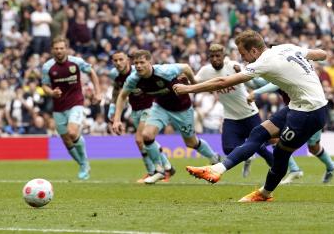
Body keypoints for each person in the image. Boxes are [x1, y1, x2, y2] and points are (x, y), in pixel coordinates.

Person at [173, 30, 328, 202]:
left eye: (243, 54)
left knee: (281, 155)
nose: (243, 58)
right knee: (258, 133)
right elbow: (321, 54)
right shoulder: (285, 47)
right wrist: (320, 58)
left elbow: (222, 82)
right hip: (298, 106)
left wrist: (188, 89)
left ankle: (264, 194)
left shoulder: (263, 62)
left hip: (309, 112)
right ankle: (218, 168)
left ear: (254, 51)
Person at [112, 50, 221, 184]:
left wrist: (193, 85)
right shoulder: (133, 79)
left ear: (149, 62)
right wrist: (117, 120)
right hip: (161, 107)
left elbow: (186, 67)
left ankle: (213, 157)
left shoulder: (165, 71)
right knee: (146, 135)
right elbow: (122, 96)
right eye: (136, 63)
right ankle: (160, 171)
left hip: (182, 108)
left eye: (142, 62)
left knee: (191, 143)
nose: (139, 66)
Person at [195, 43, 274, 178]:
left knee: (261, 147)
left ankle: (279, 170)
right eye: (212, 56)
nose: (215, 59)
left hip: (249, 113)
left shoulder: (233, 66)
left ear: (223, 56)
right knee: (227, 149)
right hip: (231, 117)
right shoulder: (205, 71)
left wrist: (240, 72)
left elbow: (250, 80)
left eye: (218, 56)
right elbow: (195, 81)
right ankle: (248, 158)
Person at [250, 80, 334, 184]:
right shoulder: (277, 75)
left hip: (313, 110)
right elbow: (259, 82)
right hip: (294, 113)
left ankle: (330, 166)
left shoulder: (287, 75)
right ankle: (295, 169)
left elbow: (271, 85)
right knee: (275, 138)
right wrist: (244, 75)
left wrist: (253, 87)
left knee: (313, 147)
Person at [108, 51, 174, 183]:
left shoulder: (138, 72)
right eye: (115, 60)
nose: (118, 63)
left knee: (139, 139)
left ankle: (157, 171)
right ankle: (166, 168)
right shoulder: (114, 75)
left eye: (121, 59)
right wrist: (113, 109)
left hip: (150, 107)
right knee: (146, 140)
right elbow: (117, 92)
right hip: (135, 110)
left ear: (128, 60)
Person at [42, 37, 102, 180]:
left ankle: (84, 162)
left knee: (72, 132)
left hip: (76, 102)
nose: (59, 51)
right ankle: (82, 164)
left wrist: (98, 92)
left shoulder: (77, 62)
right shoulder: (47, 67)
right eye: (56, 48)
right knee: (66, 140)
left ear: (67, 49)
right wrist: (51, 92)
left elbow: (92, 72)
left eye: (62, 48)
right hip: (58, 107)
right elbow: (44, 85)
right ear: (52, 50)